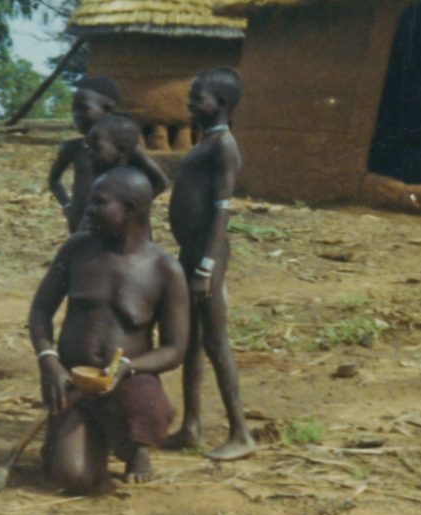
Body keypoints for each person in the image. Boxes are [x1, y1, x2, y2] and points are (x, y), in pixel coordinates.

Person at [29, 168, 190, 493]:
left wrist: (128, 368)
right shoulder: (75, 250)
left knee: (148, 405)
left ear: (130, 210)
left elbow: (175, 350)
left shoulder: (165, 270)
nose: (87, 209)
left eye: (98, 203)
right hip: (73, 381)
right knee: (72, 477)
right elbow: (40, 311)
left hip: (128, 384)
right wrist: (49, 359)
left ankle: (134, 447)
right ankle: (90, 435)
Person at [164, 67, 258, 460]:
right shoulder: (205, 144)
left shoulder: (224, 147)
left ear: (220, 104)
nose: (189, 103)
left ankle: (241, 433)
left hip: (209, 255)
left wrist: (205, 267)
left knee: (216, 342)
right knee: (192, 343)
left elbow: (222, 210)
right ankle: (192, 425)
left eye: (196, 98)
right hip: (193, 251)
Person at [48, 75, 121, 233]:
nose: (76, 114)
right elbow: (53, 180)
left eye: (83, 108)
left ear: (107, 110)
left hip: (111, 223)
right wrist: (67, 205)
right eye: (74, 109)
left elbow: (159, 181)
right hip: (78, 219)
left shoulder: (122, 149)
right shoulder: (73, 148)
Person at [85, 113, 169, 199]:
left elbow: (162, 182)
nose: (89, 153)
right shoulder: (99, 168)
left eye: (96, 148)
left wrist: (143, 202)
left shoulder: (135, 160)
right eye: (88, 146)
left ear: (121, 149)